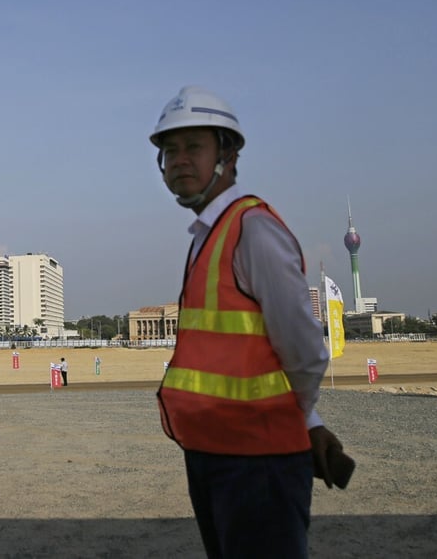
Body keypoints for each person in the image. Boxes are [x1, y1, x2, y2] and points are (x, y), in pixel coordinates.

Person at [150, 86, 348, 558]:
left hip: (258, 462)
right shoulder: (206, 234)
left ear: (229, 153)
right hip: (212, 455)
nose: (179, 160)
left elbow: (303, 348)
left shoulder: (253, 230)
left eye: (193, 147)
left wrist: (301, 418)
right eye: (169, 151)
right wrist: (311, 419)